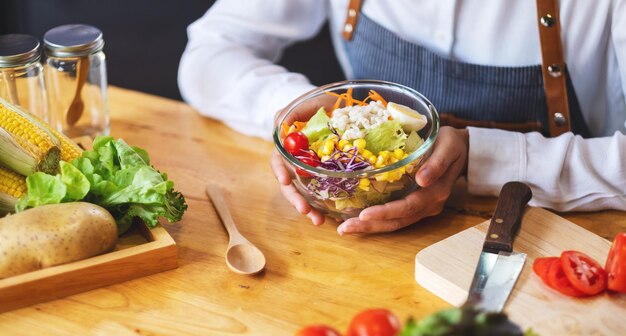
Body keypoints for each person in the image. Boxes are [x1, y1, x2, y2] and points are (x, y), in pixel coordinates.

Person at [178, 0, 626, 234]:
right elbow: (208, 55)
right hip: (346, 237)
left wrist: (480, 156)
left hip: (552, 232)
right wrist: (302, 117)